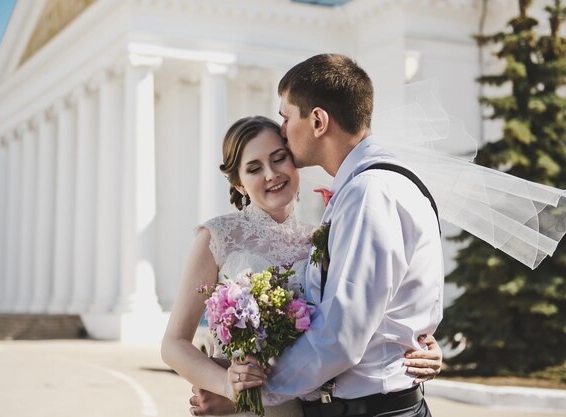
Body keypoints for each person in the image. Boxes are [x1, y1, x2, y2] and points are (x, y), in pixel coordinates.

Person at [161, 115, 443, 417]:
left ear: (295, 163)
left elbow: (354, 317)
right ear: (239, 183)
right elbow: (174, 344)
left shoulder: (321, 237)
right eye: (254, 168)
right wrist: (228, 387)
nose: (271, 174)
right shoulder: (217, 236)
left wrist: (415, 341)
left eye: (279, 159)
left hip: (305, 409)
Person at [225, 54, 444, 417]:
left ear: (317, 120)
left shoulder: (368, 194)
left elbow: (341, 336)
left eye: (285, 116)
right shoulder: (374, 184)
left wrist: (253, 392)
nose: (281, 129)